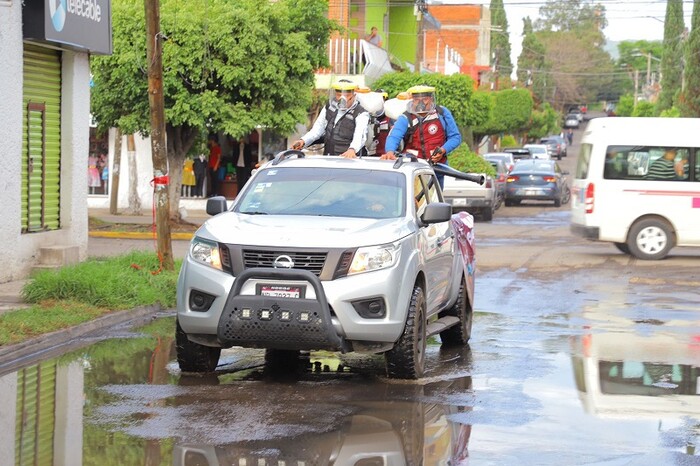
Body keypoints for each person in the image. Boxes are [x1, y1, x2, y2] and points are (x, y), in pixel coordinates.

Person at [380, 85, 462, 186]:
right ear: (412, 100)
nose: (420, 103)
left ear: (431, 99)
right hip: (414, 168)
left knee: (436, 199)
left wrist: (443, 150)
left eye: (425, 99)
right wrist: (390, 151)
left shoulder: (442, 113)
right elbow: (394, 136)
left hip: (438, 168)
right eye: (416, 100)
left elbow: (455, 137)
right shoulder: (406, 117)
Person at [291, 79, 370, 158]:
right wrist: (303, 141)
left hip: (348, 160)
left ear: (353, 95)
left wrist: (352, 149)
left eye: (346, 95)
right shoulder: (329, 107)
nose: (342, 98)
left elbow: (360, 136)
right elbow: (317, 130)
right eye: (339, 95)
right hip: (329, 158)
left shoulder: (361, 113)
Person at [371, 89, 392, 157]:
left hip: (386, 156)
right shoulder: (365, 116)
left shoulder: (392, 118)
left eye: (383, 100)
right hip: (368, 156)